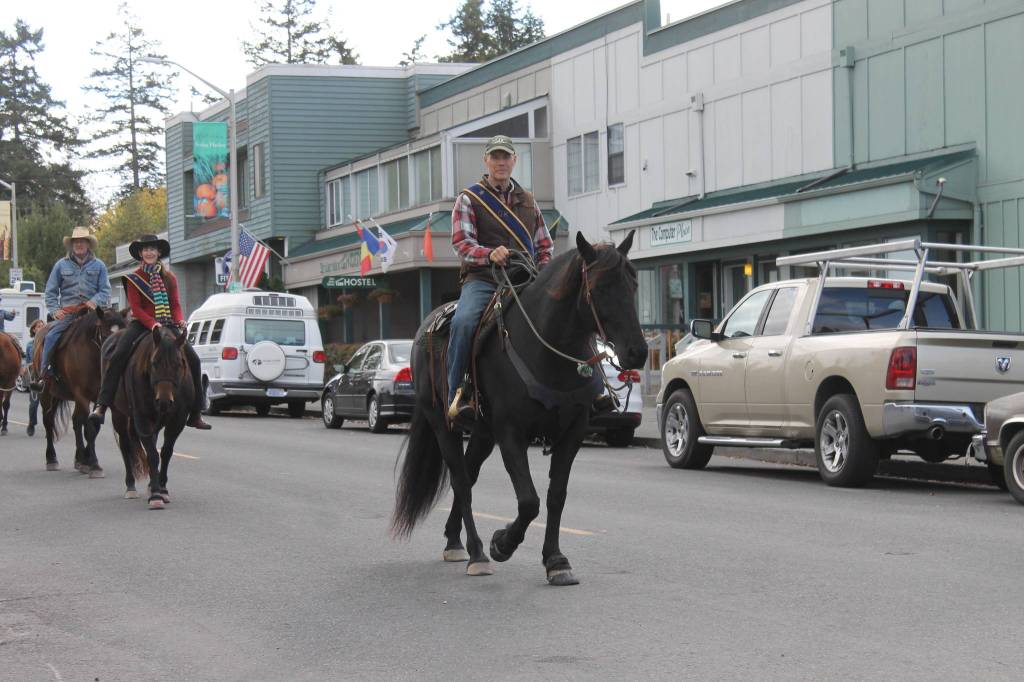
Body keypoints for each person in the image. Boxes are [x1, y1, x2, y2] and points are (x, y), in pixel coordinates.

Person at [446, 134, 553, 423]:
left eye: (506, 157)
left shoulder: (530, 201)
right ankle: (458, 393)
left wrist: (543, 274)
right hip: (484, 279)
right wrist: (489, 253)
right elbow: (461, 243)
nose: (501, 162)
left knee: (562, 313)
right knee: (464, 321)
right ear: (486, 161)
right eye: (495, 157)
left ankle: (588, 388)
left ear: (514, 161)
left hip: (524, 279)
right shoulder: (469, 198)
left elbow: (545, 246)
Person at [89, 234, 211, 430]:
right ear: (140, 253)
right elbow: (136, 309)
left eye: (152, 249)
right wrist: (152, 323)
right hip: (142, 323)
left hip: (168, 323)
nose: (149, 252)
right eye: (145, 250)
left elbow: (175, 304)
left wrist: (179, 319)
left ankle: (196, 412)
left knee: (194, 359)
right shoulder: (133, 278)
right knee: (118, 354)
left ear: (159, 252)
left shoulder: (170, 277)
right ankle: (102, 404)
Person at [31, 226, 111, 391]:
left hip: (93, 314)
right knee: (51, 335)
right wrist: (55, 310)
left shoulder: (100, 266)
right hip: (69, 313)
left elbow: (105, 290)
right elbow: (51, 291)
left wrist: (94, 301)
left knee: (112, 335)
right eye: (76, 242)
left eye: (82, 241)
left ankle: (114, 375)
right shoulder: (61, 265)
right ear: (72, 244)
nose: (79, 244)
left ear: (88, 244)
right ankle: (44, 374)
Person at [24, 319, 45, 436]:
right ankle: (32, 423)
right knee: (34, 403)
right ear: (34, 329)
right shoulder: (30, 345)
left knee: (49, 403)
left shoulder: (49, 341)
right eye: (38, 326)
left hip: (47, 375)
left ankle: (50, 425)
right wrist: (26, 367)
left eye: (43, 326)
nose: (41, 328)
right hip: (35, 375)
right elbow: (27, 361)